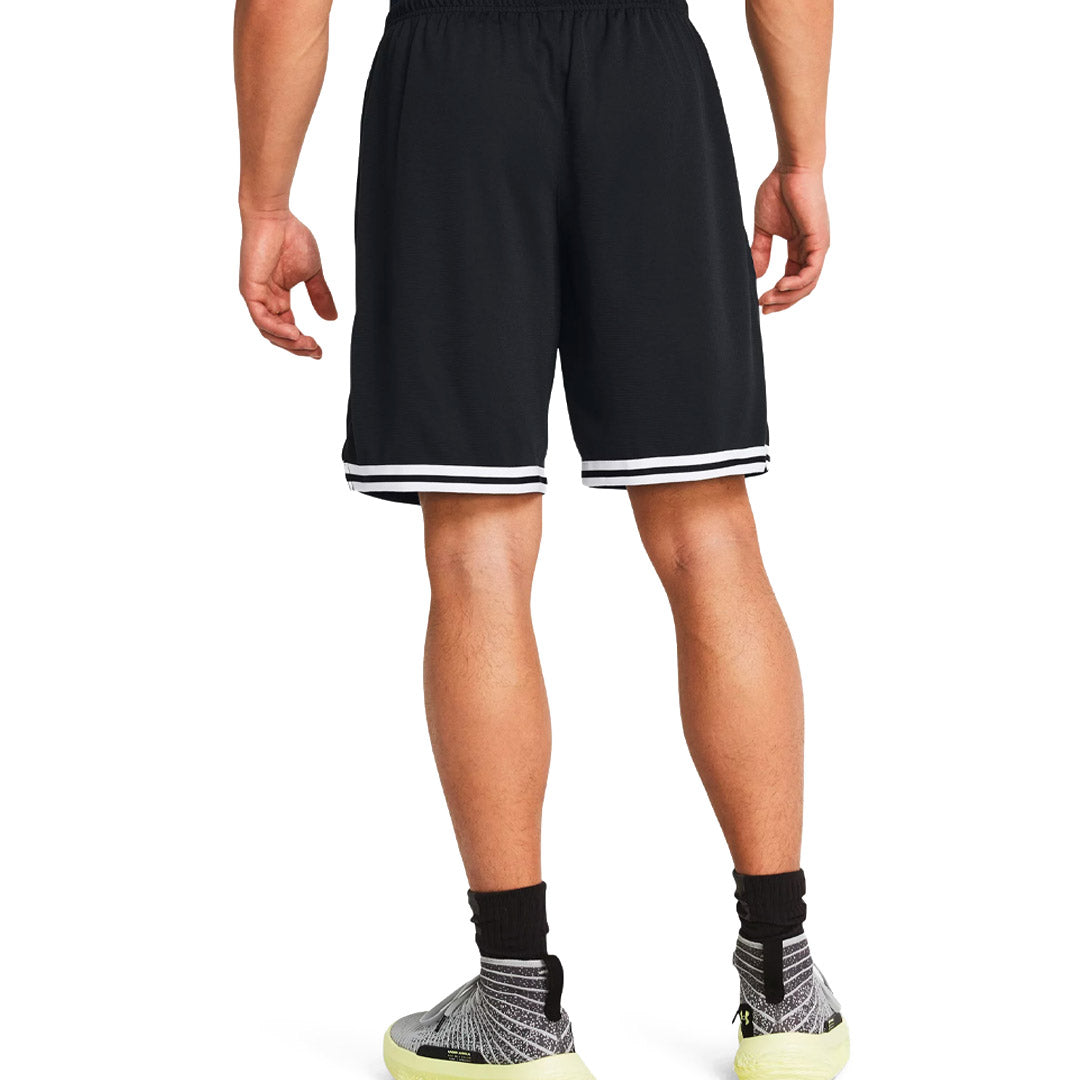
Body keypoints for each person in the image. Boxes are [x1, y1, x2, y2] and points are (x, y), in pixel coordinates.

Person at [234, 1, 845, 1078]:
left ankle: (517, 1010)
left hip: (453, 88)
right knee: (708, 536)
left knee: (480, 550)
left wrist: (265, 200)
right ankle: (785, 989)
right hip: (649, 79)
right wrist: (803, 157)